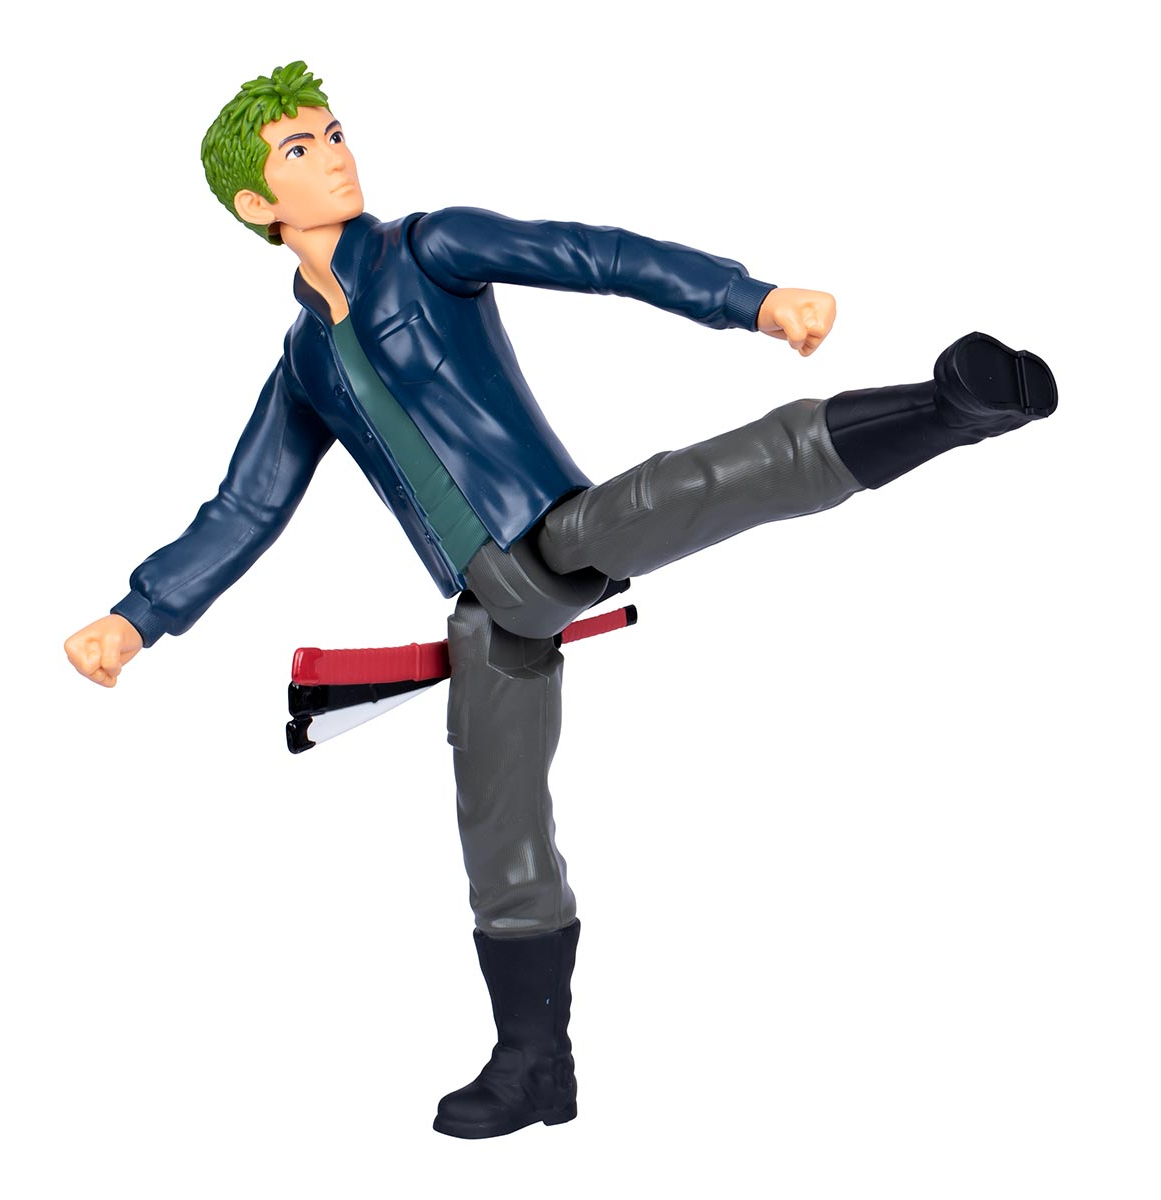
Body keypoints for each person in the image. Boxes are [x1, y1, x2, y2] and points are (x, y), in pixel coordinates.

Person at [64, 61, 1057, 1139]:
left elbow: (595, 254)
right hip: (489, 611)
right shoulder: (307, 364)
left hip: (553, 534)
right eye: (302, 150)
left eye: (335, 131)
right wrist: (136, 617)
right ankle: (534, 1066)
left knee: (683, 489)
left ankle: (950, 410)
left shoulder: (429, 248)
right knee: (500, 831)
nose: (338, 156)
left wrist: (754, 301)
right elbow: (246, 505)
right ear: (258, 204)